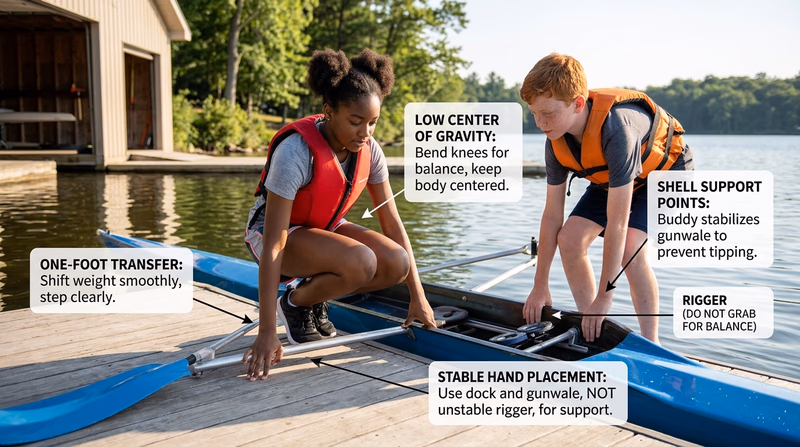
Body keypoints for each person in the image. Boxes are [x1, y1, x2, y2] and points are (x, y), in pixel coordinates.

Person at [242, 48, 438, 381]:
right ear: (329, 112)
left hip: (324, 228)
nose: (366, 132)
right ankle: (294, 305)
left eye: (373, 123)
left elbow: (392, 223)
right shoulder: (296, 152)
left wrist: (418, 297)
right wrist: (266, 331)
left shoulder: (370, 150)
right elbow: (275, 241)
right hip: (271, 236)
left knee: (397, 262)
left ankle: (308, 297)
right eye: (355, 121)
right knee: (361, 260)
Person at [518, 53, 694, 344]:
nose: (540, 122)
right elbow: (551, 215)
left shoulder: (617, 131)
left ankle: (652, 342)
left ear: (577, 104)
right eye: (534, 113)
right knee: (570, 239)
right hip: (613, 180)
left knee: (631, 249)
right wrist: (540, 285)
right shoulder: (555, 140)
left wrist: (605, 296)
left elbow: (618, 223)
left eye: (548, 113)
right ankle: (594, 331)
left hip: (664, 174)